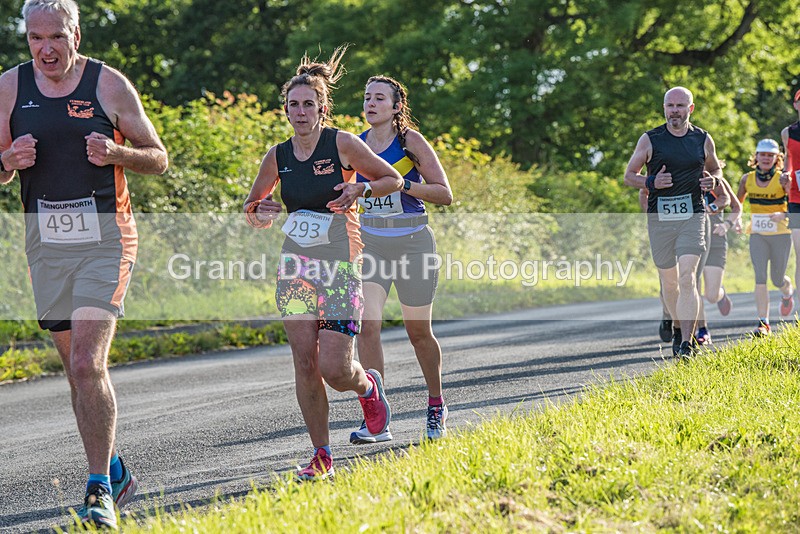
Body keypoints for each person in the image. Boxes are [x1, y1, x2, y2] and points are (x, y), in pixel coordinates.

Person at [0, 0, 168, 528]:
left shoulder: (107, 84)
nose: (45, 48)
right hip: (46, 248)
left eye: (55, 37)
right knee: (77, 375)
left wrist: (119, 155)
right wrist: (6, 161)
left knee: (84, 365)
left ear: (76, 33)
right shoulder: (9, 87)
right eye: (34, 38)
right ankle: (114, 468)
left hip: (106, 241)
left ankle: (98, 491)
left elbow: (158, 157)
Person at [243, 47, 403, 481]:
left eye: (308, 104)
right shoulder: (276, 156)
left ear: (322, 108)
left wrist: (360, 192)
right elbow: (252, 207)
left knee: (335, 369)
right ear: (286, 110)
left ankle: (368, 388)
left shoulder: (343, 143)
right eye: (293, 105)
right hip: (296, 266)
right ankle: (321, 454)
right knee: (304, 362)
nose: (300, 112)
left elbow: (394, 179)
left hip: (340, 263)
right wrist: (263, 210)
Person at [348, 76, 453, 444]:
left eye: (380, 98)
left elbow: (444, 194)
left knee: (417, 332)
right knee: (368, 324)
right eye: (366, 97)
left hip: (413, 244)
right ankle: (376, 415)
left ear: (396, 107)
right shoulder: (355, 145)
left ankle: (436, 402)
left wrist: (402, 183)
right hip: (373, 243)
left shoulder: (410, 142)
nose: (371, 103)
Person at [624, 87, 722, 357]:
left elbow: (715, 168)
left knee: (687, 276)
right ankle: (677, 327)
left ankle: (688, 343)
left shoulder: (702, 138)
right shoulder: (650, 139)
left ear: (690, 109)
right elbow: (629, 175)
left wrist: (712, 179)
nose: (674, 110)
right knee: (669, 283)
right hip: (661, 218)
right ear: (664, 108)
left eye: (680, 105)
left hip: (693, 215)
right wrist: (651, 182)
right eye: (670, 105)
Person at [736, 138, 794, 336]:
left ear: (778, 158)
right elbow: (738, 204)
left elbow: (796, 205)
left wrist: (784, 215)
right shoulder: (747, 179)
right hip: (758, 234)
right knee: (760, 277)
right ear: (756, 157)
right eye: (763, 155)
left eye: (771, 155)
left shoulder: (783, 179)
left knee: (777, 279)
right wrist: (736, 220)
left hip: (780, 235)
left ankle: (787, 292)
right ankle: (764, 323)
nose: (766, 159)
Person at [693, 173, 741, 345]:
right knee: (693, 286)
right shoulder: (681, 175)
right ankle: (702, 329)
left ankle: (720, 295)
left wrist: (726, 224)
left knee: (710, 295)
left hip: (715, 240)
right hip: (692, 240)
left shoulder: (713, 180)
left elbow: (736, 206)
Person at [781, 89, 800, 305]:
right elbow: (789, 161)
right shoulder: (788, 133)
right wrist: (786, 174)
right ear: (796, 105)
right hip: (796, 200)